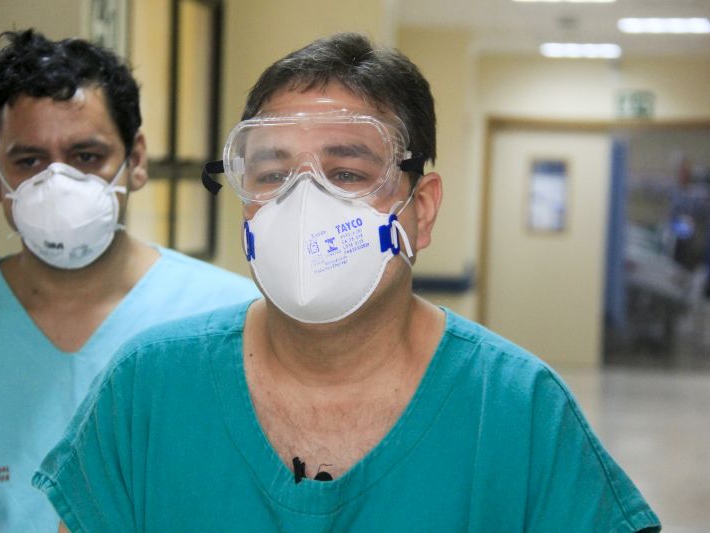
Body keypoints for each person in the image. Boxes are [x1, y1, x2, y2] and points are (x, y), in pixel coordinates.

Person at [34, 33, 661, 532]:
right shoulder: (149, 389)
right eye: (274, 173)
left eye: (349, 172)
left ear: (422, 208)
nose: (306, 203)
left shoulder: (515, 410)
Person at [0, 29, 259, 533]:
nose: (58, 184)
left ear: (135, 161)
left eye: (86, 157)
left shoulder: (230, 319)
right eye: (28, 161)